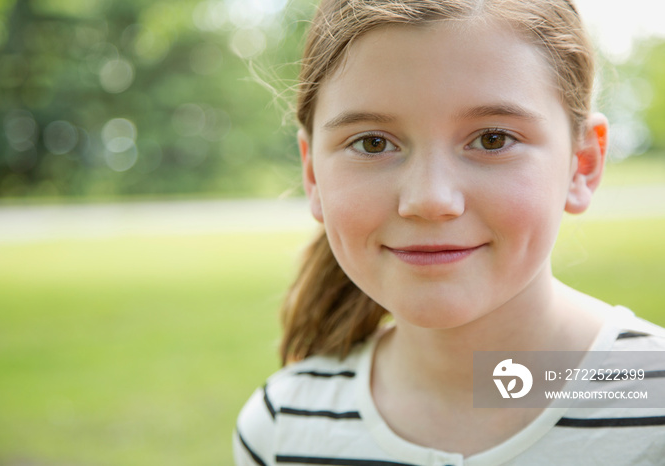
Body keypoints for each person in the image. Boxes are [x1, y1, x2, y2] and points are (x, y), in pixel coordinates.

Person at [234, 0, 665, 464]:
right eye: (372, 143)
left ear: (582, 165)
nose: (430, 199)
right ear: (313, 173)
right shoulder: (283, 428)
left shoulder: (653, 399)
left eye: (492, 139)